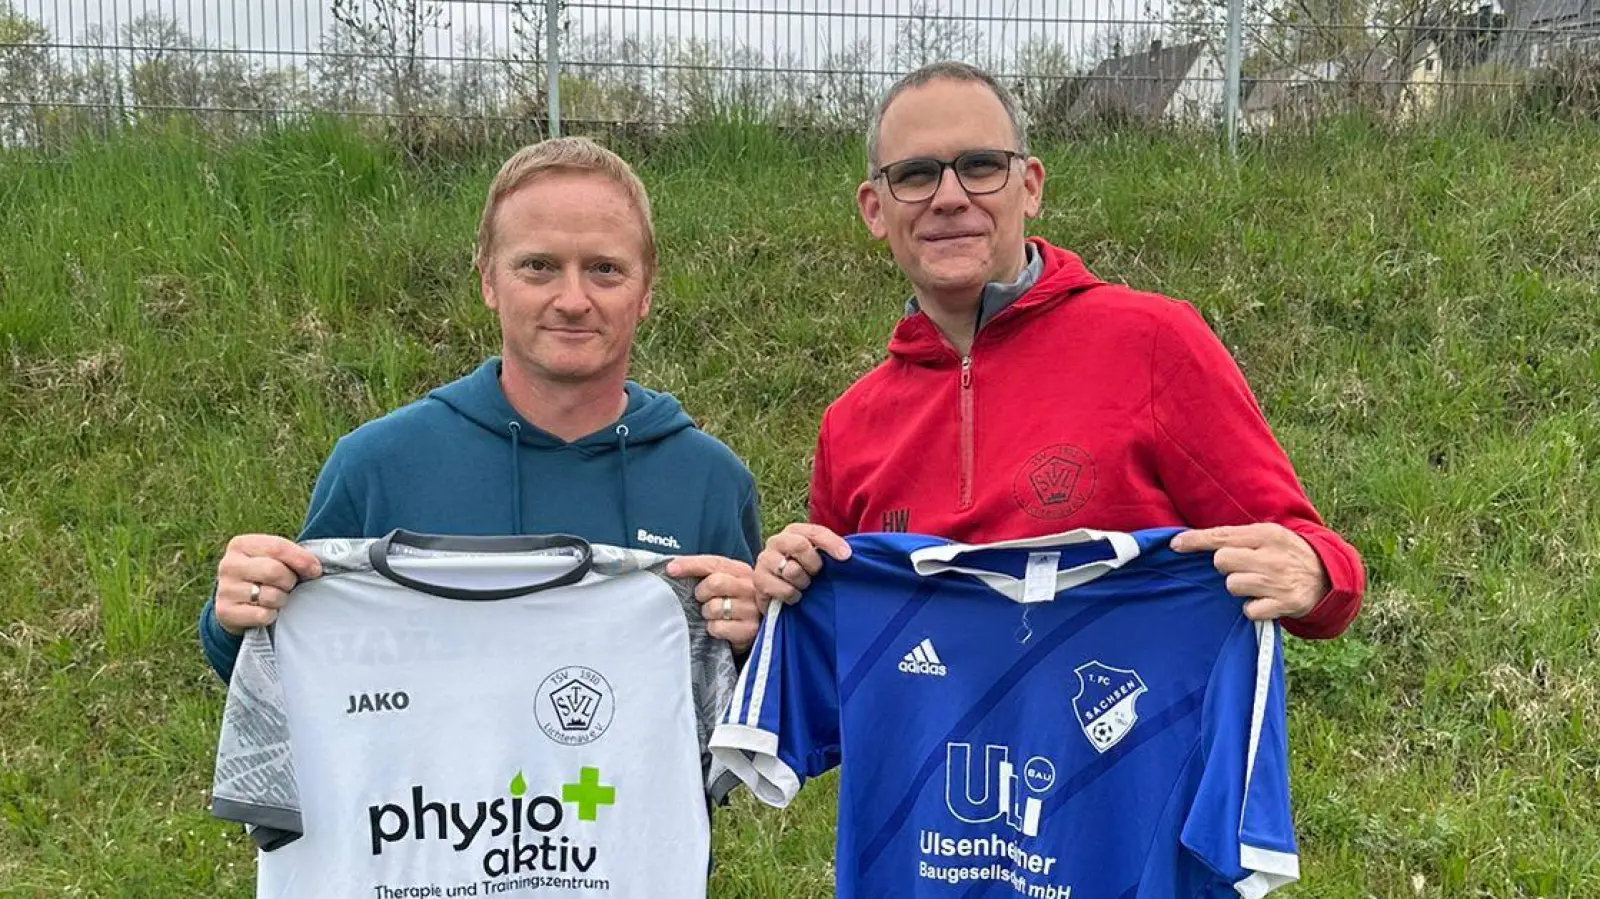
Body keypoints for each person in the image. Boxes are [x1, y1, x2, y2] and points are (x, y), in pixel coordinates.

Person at [755, 61, 1365, 639]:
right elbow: (844, 663)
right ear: (874, 209)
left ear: (1030, 187)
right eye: (915, 175)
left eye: (981, 166)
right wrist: (784, 599)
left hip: (1123, 744)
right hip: (939, 755)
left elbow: (1313, 565)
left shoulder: (1153, 343)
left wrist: (1314, 572)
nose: (948, 196)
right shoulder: (849, 427)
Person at [198, 136, 763, 683]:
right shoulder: (378, 466)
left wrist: (752, 641)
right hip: (429, 785)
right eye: (538, 266)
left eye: (604, 269)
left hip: (634, 785)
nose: (572, 300)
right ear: (489, 280)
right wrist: (238, 616)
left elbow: (752, 704)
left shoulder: (709, 481)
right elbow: (297, 671)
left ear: (646, 291)